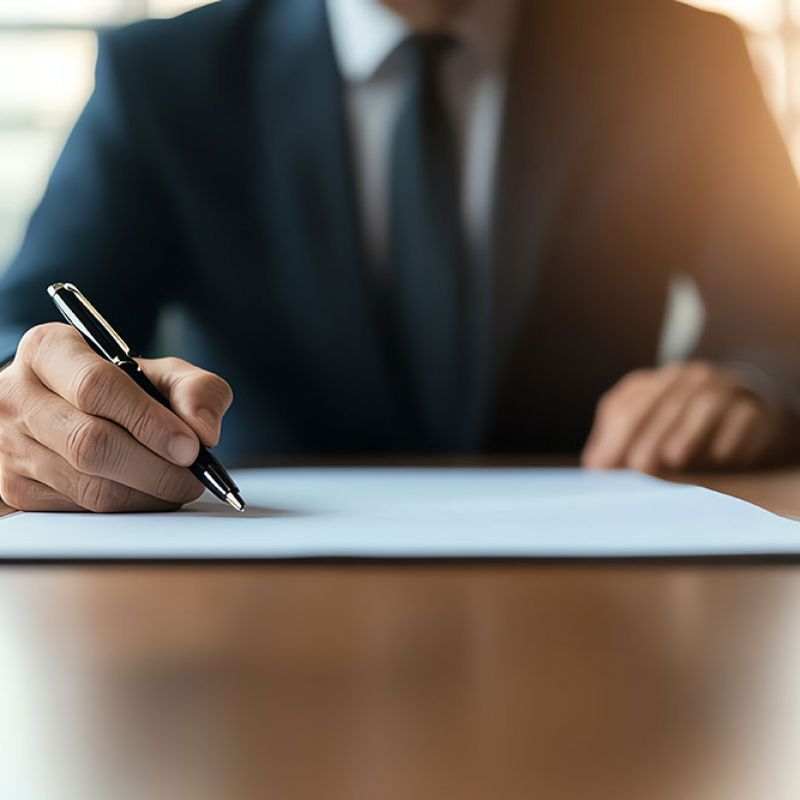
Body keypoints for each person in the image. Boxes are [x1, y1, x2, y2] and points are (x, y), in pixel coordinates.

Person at [0, 0, 799, 513]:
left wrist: (752, 388)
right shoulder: (164, 77)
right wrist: (41, 403)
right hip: (256, 591)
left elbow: (782, 318)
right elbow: (26, 328)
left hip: (603, 591)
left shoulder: (684, 59)